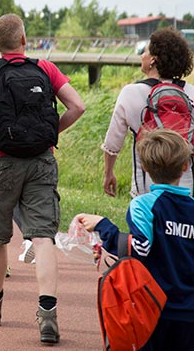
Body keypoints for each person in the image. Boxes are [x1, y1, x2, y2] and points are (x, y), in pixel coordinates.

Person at [0, 13, 85, 345]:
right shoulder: (45, 68)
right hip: (41, 161)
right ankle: (47, 317)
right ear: (24, 40)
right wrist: (50, 133)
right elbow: (77, 106)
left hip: (1, 161)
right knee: (43, 237)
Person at [77, 128, 194, 351]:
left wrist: (105, 227)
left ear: (146, 168)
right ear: (185, 166)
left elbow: (139, 249)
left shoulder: (143, 205)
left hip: (151, 307)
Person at [101, 27, 194, 198]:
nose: (142, 55)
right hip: (186, 188)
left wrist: (108, 173)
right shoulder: (191, 92)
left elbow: (113, 144)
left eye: (145, 51)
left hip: (146, 189)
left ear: (153, 60)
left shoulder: (131, 92)